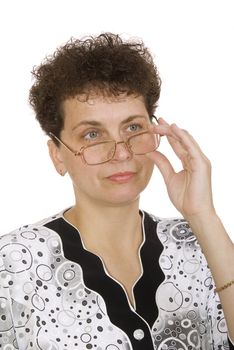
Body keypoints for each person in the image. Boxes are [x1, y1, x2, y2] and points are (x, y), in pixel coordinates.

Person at [0, 33, 233, 350]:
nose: (121, 153)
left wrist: (203, 215)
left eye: (133, 128)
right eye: (92, 134)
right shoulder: (13, 263)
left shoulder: (198, 244)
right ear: (57, 154)